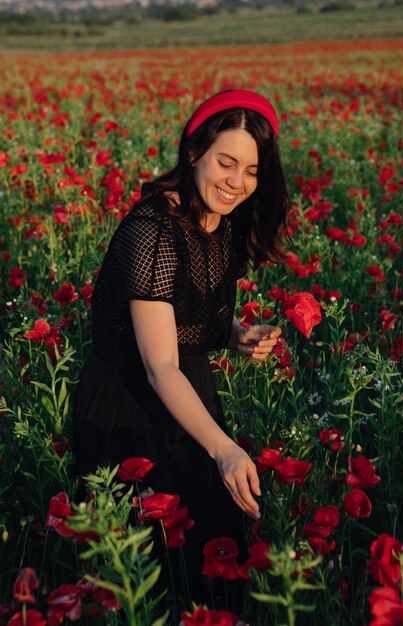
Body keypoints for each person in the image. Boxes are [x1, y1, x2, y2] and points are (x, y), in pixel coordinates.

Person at [72, 89, 290, 608]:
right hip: (131, 404)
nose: (238, 182)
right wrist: (224, 448)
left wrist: (235, 334)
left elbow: (188, 303)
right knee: (153, 574)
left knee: (212, 556)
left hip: (189, 390)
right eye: (226, 162)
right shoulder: (152, 231)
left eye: (252, 170)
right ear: (194, 153)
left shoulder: (225, 220)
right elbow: (159, 363)